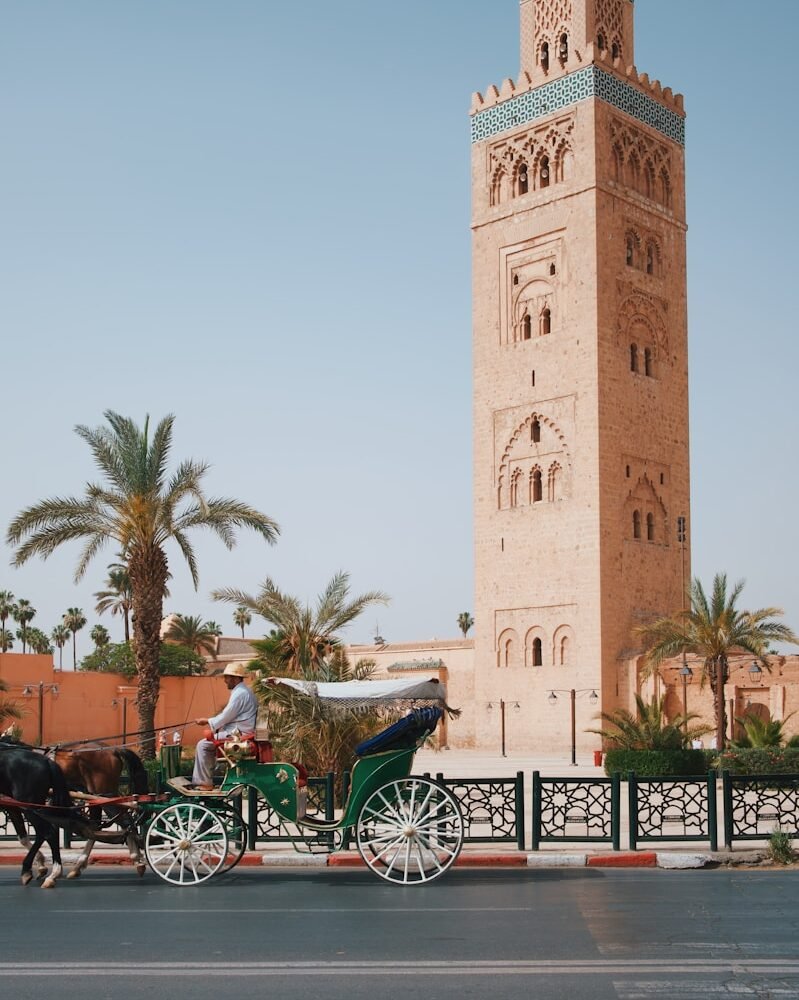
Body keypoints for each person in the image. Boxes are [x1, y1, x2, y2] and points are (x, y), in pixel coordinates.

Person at [192, 662, 258, 790]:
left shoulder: (240, 693)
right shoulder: (244, 691)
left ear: (235, 678)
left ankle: (204, 782)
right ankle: (207, 778)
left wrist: (207, 721)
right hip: (240, 731)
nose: (225, 681)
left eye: (226, 678)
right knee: (206, 744)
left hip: (237, 734)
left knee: (203, 745)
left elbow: (226, 716)